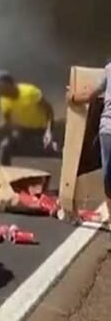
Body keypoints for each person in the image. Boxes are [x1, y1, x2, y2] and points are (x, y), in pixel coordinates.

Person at [68, 61, 111, 220]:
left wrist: (73, 97)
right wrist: (73, 97)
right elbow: (94, 93)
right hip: (108, 130)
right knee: (109, 178)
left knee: (109, 178)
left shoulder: (109, 68)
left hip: (107, 130)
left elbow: (93, 94)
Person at [0, 70, 55, 166]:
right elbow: (7, 123)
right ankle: (6, 175)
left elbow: (49, 111)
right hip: (24, 131)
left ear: (7, 85)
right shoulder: (4, 100)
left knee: (55, 149)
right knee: (5, 147)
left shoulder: (30, 92)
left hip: (42, 130)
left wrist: (49, 132)